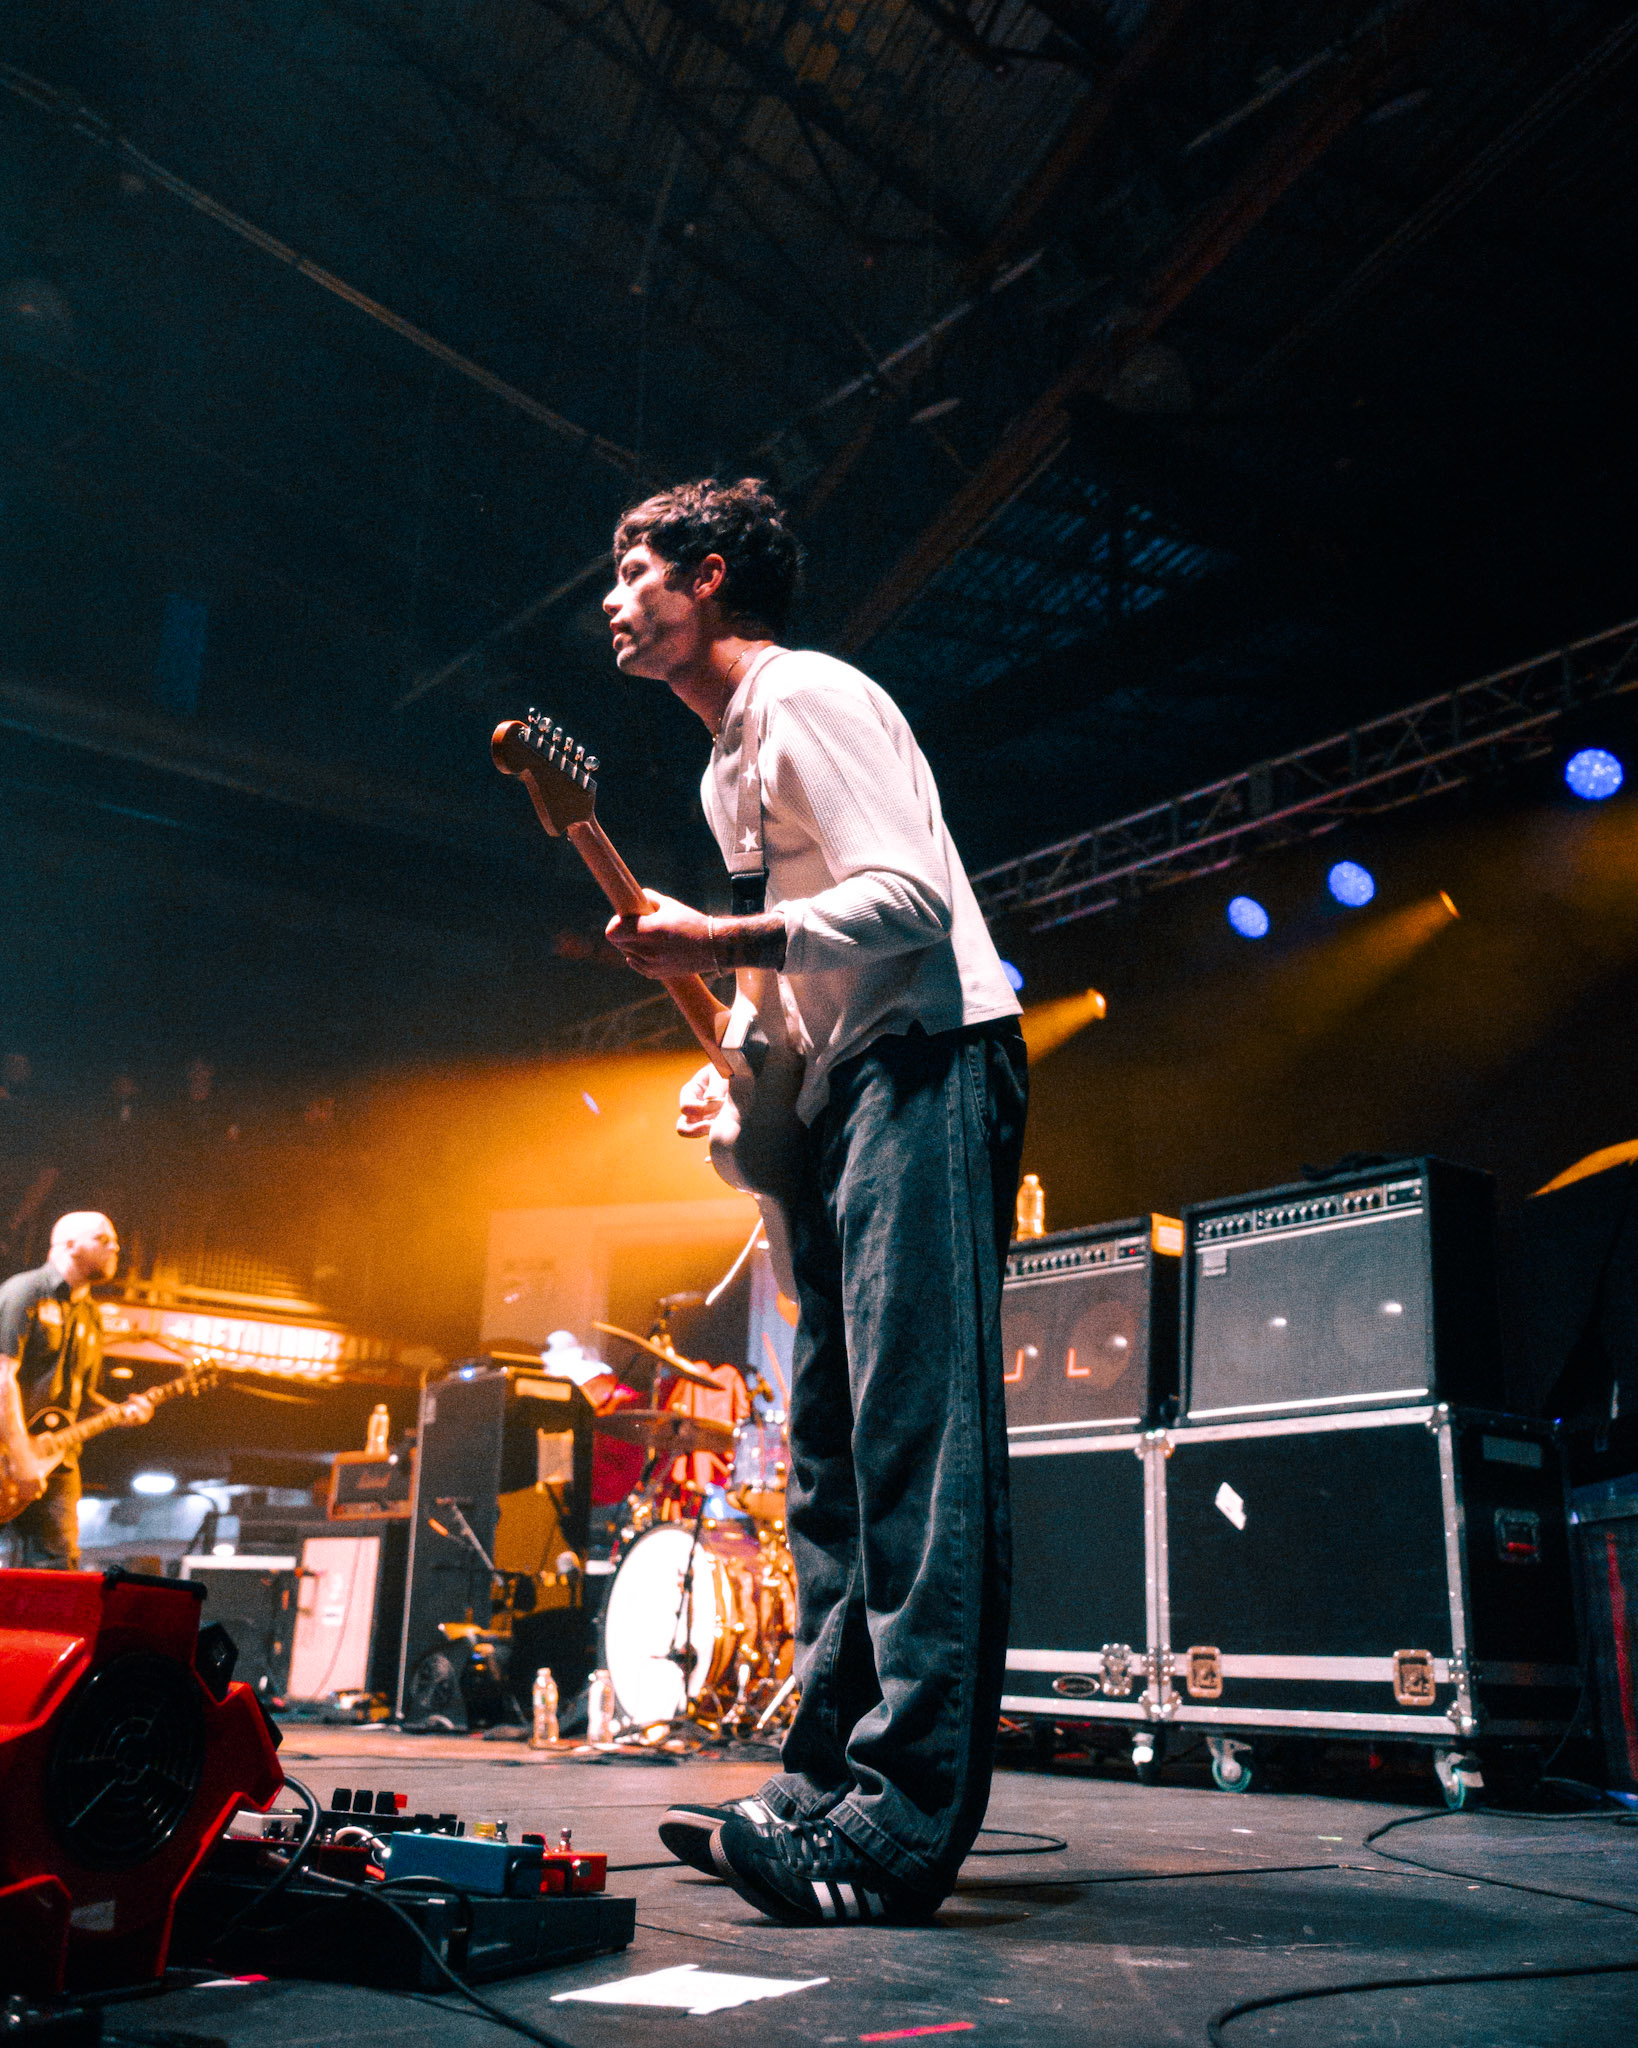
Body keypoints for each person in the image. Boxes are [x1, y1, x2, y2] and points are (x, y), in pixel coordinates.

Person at [601, 478, 1026, 1925]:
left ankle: (901, 1824)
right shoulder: (724, 765)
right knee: (833, 1458)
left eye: (635, 570)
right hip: (850, 1085)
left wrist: (720, 936)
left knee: (916, 1441)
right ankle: (824, 1777)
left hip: (930, 1058)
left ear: (709, 575)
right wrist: (739, 1072)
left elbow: (908, 900)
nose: (613, 599)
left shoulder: (809, 695)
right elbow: (787, 981)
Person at [0, 1211, 148, 1567]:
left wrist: (120, 1412)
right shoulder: (25, 1292)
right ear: (69, 1244)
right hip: (8, 1451)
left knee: (58, 1567)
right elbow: (2, 1379)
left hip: (57, 1459)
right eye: (103, 1239)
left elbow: (80, 1398)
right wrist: (21, 1459)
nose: (115, 1248)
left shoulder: (91, 1315)